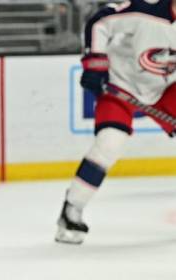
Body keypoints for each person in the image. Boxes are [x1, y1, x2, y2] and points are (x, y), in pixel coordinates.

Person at [56, 0, 175, 244]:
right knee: (110, 142)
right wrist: (96, 63)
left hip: (165, 89)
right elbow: (99, 22)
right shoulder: (146, 10)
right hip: (121, 83)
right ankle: (72, 209)